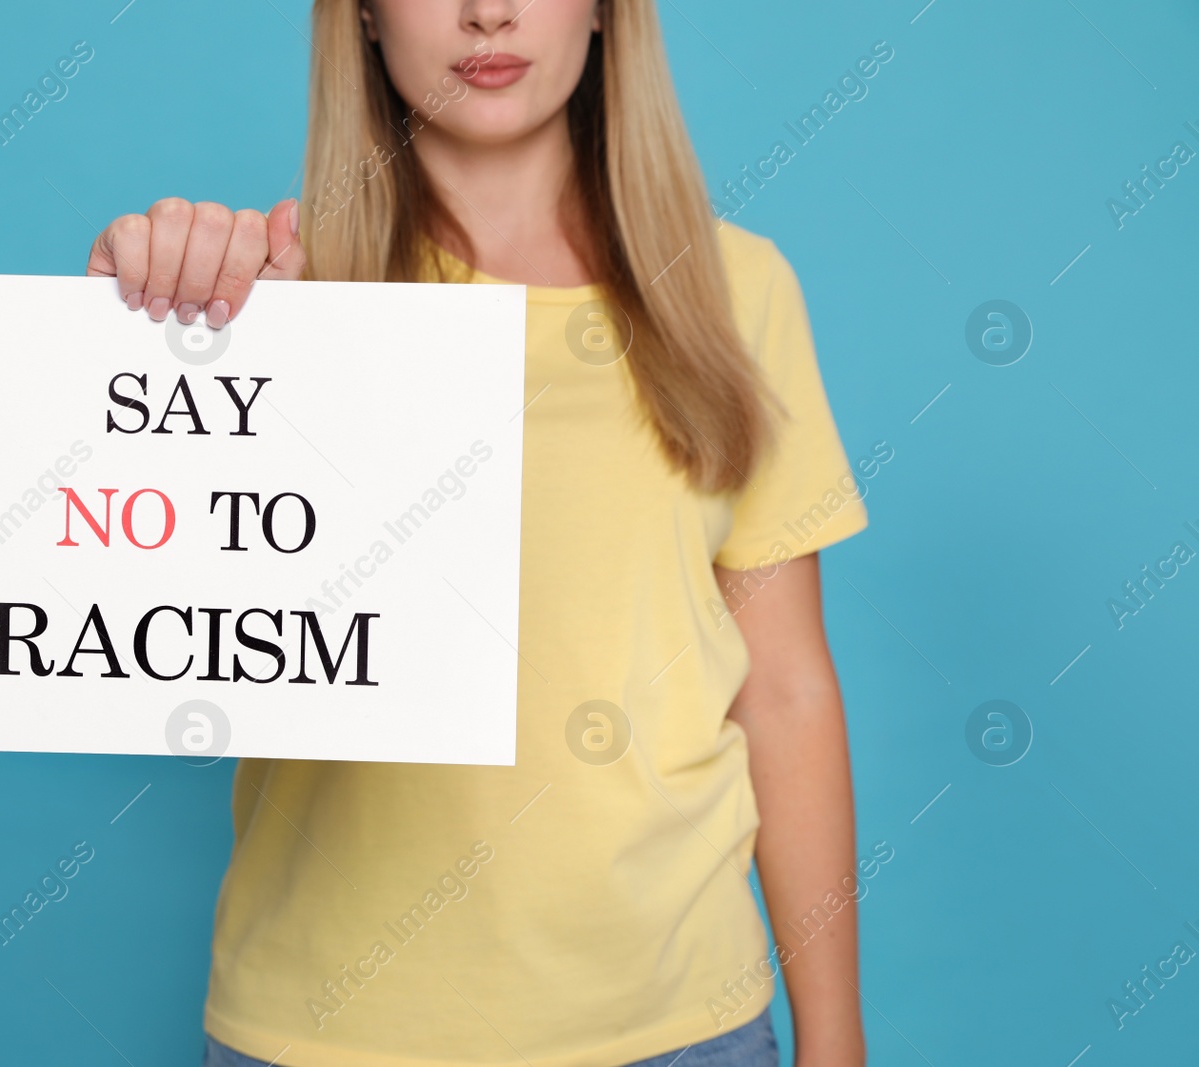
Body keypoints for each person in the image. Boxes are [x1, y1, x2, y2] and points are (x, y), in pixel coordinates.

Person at [86, 2, 871, 1064]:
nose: (486, 12)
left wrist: (836, 1042)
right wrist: (144, 309)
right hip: (325, 1027)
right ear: (361, 17)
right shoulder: (283, 298)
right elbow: (138, 595)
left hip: (679, 1024)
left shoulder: (739, 290)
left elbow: (783, 690)